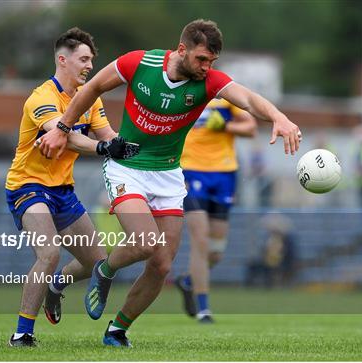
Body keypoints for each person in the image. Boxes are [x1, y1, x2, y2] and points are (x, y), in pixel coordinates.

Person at [38, 19, 302, 348]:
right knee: (146, 242)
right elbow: (92, 88)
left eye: (212, 62)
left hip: (168, 174)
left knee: (162, 264)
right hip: (127, 167)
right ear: (181, 50)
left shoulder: (209, 82)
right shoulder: (139, 63)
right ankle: (105, 271)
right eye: (202, 59)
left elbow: (247, 99)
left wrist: (279, 117)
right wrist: (62, 128)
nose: (207, 68)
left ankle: (117, 329)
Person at [5, 27, 138, 347]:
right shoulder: (42, 98)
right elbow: (63, 136)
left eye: (92, 60)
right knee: (49, 253)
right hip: (28, 185)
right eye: (84, 59)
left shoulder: (90, 99)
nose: (90, 65)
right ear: (62, 60)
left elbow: (108, 137)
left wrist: (138, 149)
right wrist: (103, 149)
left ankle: (55, 288)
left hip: (63, 190)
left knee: (97, 260)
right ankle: (22, 334)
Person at [174, 98, 257, 323]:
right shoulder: (180, 94)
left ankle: (190, 281)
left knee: (216, 252)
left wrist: (225, 126)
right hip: (190, 172)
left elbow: (251, 128)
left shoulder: (225, 97)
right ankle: (203, 309)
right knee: (200, 241)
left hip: (224, 174)